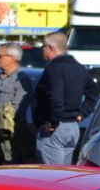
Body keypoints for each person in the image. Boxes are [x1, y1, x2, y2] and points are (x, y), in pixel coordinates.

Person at [32, 31, 96, 165]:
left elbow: (56, 97)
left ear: (51, 48)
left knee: (53, 175)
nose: (42, 50)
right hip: (72, 128)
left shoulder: (54, 68)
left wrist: (53, 122)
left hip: (55, 130)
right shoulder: (78, 67)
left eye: (43, 47)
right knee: (64, 173)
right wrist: (82, 113)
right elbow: (94, 92)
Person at [0, 42, 29, 164]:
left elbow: (18, 109)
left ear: (12, 59)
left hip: (11, 140)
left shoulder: (21, 79)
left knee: (11, 171)